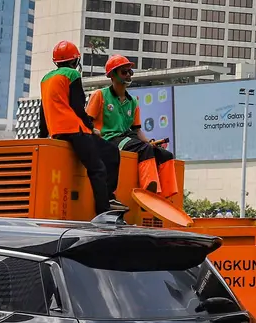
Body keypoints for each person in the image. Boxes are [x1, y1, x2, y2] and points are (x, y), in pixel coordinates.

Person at [39, 41, 124, 214]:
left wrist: (43, 136)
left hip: (57, 133)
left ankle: (106, 202)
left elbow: (43, 111)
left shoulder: (45, 79)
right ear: (74, 60)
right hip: (75, 130)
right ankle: (105, 208)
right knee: (100, 167)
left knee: (107, 151)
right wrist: (91, 127)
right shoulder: (72, 75)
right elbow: (78, 107)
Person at [86, 55, 179, 198]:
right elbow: (86, 121)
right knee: (144, 148)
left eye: (130, 72)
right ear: (112, 75)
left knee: (164, 154)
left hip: (127, 139)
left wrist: (150, 142)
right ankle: (148, 189)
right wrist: (93, 131)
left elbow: (137, 130)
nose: (129, 75)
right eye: (124, 72)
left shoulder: (133, 102)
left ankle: (166, 195)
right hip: (108, 140)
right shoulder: (100, 95)